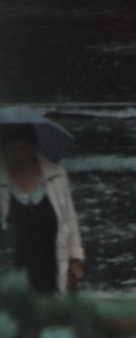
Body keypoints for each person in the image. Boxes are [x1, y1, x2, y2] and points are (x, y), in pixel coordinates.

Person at [0, 124, 84, 294]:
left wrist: (75, 259)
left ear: (33, 147)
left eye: (24, 148)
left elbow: (69, 219)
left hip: (50, 262)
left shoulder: (56, 176)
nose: (19, 155)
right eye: (13, 150)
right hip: (11, 268)